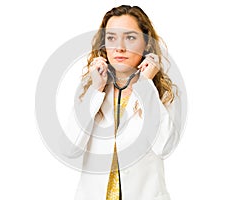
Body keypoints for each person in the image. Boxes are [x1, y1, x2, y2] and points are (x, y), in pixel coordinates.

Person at [65, 5, 182, 200]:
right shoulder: (91, 89)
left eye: (130, 37)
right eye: (111, 38)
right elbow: (70, 149)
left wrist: (145, 85)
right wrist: (96, 90)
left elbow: (165, 146)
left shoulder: (162, 92)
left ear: (146, 43)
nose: (119, 47)